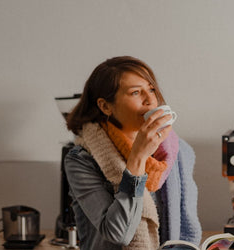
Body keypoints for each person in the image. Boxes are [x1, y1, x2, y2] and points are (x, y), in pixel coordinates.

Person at [64, 56, 202, 249]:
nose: (150, 100)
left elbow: (187, 230)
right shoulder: (82, 159)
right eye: (136, 92)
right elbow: (118, 234)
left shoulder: (178, 152)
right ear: (105, 106)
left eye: (151, 89)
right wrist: (138, 157)